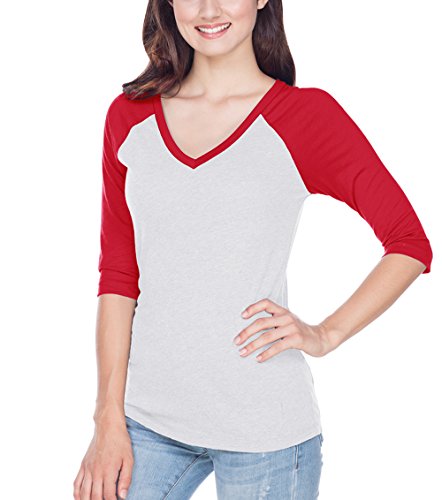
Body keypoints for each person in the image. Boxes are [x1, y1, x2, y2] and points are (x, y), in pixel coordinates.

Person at [73, 0, 433, 499]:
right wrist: (106, 417)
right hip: (147, 420)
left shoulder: (304, 116)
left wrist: (325, 334)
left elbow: (408, 242)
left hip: (265, 430)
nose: (208, 9)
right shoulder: (129, 116)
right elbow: (118, 274)